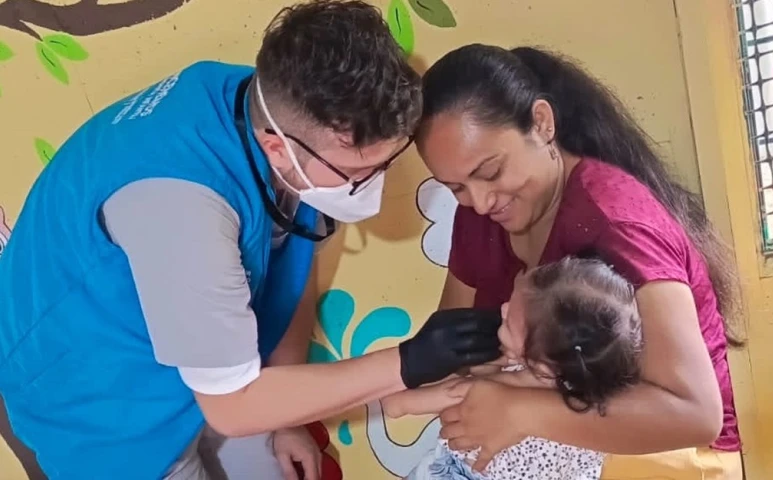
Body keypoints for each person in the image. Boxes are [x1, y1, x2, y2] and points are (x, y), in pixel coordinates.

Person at [0, 4, 502, 479]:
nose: (370, 186)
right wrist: (408, 362)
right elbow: (233, 405)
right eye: (356, 174)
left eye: (383, 166)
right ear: (277, 149)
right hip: (98, 399)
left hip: (202, 369)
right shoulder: (181, 210)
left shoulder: (277, 111)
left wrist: (285, 421)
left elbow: (295, 270)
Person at [414, 44, 744, 479]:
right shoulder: (478, 219)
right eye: (454, 187)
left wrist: (521, 409)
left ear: (542, 123)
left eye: (490, 172)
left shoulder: (618, 222)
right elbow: (454, 344)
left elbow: (696, 414)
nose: (478, 201)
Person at [384, 257, 644, 480]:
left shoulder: (496, 391)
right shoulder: (606, 413)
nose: (503, 308)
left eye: (509, 321)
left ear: (542, 366)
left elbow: (396, 405)